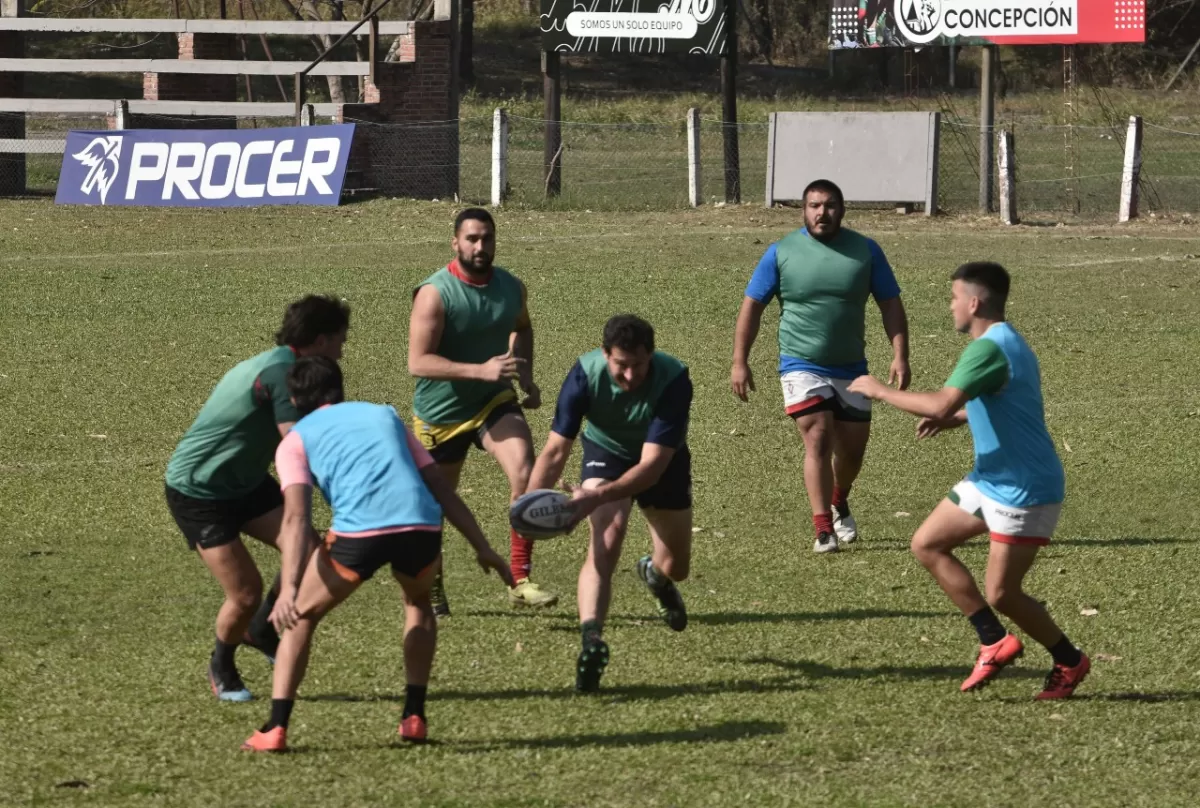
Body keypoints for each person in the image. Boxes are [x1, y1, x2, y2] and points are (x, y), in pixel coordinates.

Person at [241, 357, 514, 753]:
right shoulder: (384, 415)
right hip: (421, 526)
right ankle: (414, 717)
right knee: (418, 602)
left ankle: (276, 728)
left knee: (301, 616)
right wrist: (483, 547)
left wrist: (289, 589)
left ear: (295, 399)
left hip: (359, 533)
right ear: (340, 388)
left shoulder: (294, 441)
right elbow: (440, 486)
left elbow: (297, 520)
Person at [847, 262, 1089, 699]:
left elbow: (938, 403)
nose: (951, 306)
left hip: (1024, 489)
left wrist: (880, 391)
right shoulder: (1006, 340)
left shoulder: (987, 349)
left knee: (1002, 592)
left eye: (954, 297)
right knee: (927, 544)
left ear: (974, 302)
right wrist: (962, 417)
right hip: (991, 478)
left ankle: (1070, 660)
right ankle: (994, 641)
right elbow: (1001, 397)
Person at [164, 295, 349, 702]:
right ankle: (222, 664)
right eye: (340, 339)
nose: (342, 348)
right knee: (245, 592)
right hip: (200, 490)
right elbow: (298, 442)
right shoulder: (282, 373)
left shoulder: (288, 364)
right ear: (321, 339)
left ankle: (260, 630)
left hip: (244, 483)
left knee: (308, 549)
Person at [731, 178, 910, 555]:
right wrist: (740, 361)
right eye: (814, 205)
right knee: (818, 437)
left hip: (852, 368)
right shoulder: (782, 252)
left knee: (852, 453)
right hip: (800, 364)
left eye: (829, 205)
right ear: (803, 210)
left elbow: (890, 303)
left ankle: (839, 500)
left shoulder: (866, 251)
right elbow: (753, 306)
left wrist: (900, 354)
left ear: (842, 210)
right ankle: (823, 528)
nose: (821, 213)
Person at [526, 315, 693, 693]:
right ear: (606, 355)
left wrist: (595, 495)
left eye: (638, 365)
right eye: (621, 365)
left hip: (661, 463)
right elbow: (554, 452)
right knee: (606, 538)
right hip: (606, 452)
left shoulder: (673, 379)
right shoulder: (585, 374)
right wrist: (528, 504)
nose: (630, 376)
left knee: (677, 567)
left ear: (651, 355)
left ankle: (655, 573)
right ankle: (592, 639)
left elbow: (651, 468)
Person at [408, 207, 557, 613]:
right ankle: (431, 583)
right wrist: (480, 369)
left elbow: (522, 327)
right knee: (434, 508)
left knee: (525, 473)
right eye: (471, 239)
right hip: (440, 414)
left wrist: (524, 376)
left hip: (493, 400)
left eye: (486, 238)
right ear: (455, 242)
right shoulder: (435, 293)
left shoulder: (511, 287)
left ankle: (520, 579)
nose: (480, 246)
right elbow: (418, 362)